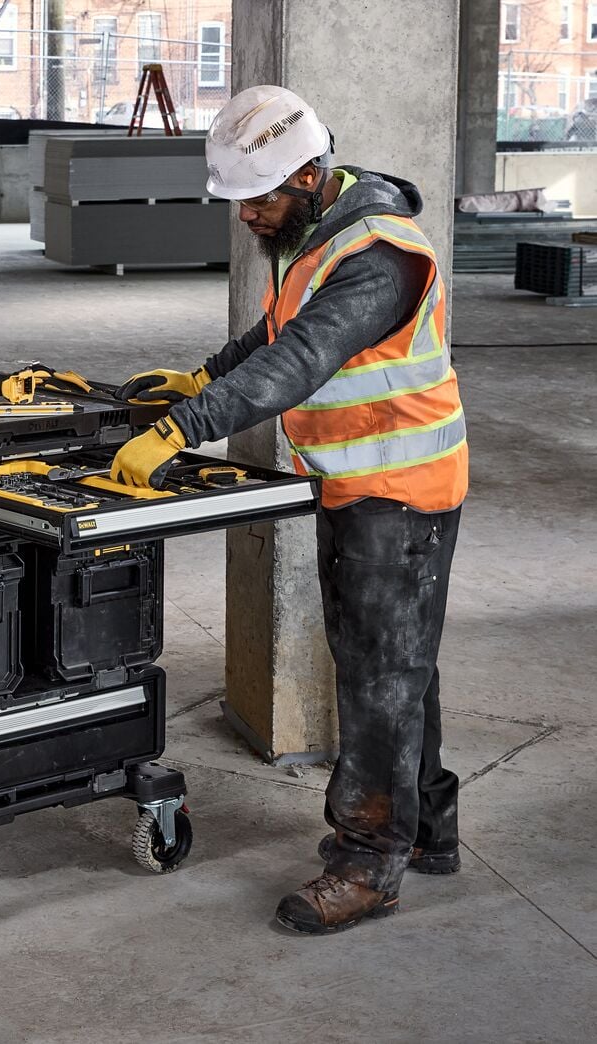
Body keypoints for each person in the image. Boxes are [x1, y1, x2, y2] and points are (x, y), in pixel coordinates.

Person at [111, 85, 468, 935]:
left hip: (401, 494)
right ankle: (431, 834)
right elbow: (279, 327)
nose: (247, 217)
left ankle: (365, 863)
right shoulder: (325, 231)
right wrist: (204, 376)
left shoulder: (380, 253)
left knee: (379, 680)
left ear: (309, 173)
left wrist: (183, 428)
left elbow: (303, 358)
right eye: (239, 201)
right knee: (399, 666)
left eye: (260, 198)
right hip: (361, 487)